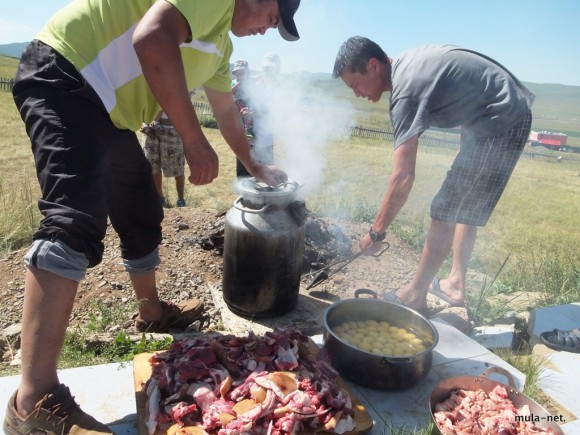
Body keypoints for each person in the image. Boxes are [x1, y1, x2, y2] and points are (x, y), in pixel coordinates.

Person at [5, 0, 301, 434]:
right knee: (74, 217)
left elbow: (227, 113)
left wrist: (256, 167)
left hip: (109, 114)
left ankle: (151, 312)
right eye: (270, 20)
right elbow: (152, 37)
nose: (264, 31)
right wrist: (193, 140)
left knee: (140, 205)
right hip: (66, 73)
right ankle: (33, 403)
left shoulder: (219, 45)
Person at [333, 36, 534, 314]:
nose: (357, 93)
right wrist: (466, 150)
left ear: (373, 65)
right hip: (497, 111)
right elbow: (472, 88)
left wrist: (376, 232)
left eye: (355, 84)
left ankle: (415, 295)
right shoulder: (406, 67)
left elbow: (403, 175)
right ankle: (455, 283)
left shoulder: (405, 91)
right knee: (464, 204)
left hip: (502, 117)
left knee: (445, 208)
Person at [141, 110, 187, 207]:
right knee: (153, 165)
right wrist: (144, 124)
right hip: (150, 129)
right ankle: (159, 198)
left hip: (172, 129)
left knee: (177, 166)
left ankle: (181, 200)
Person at [230, 59, 256, 177]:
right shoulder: (233, 83)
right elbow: (228, 94)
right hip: (238, 113)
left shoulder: (253, 85)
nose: (240, 75)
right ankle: (242, 182)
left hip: (250, 114)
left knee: (253, 152)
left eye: (243, 72)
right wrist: (239, 84)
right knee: (241, 152)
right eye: (238, 73)